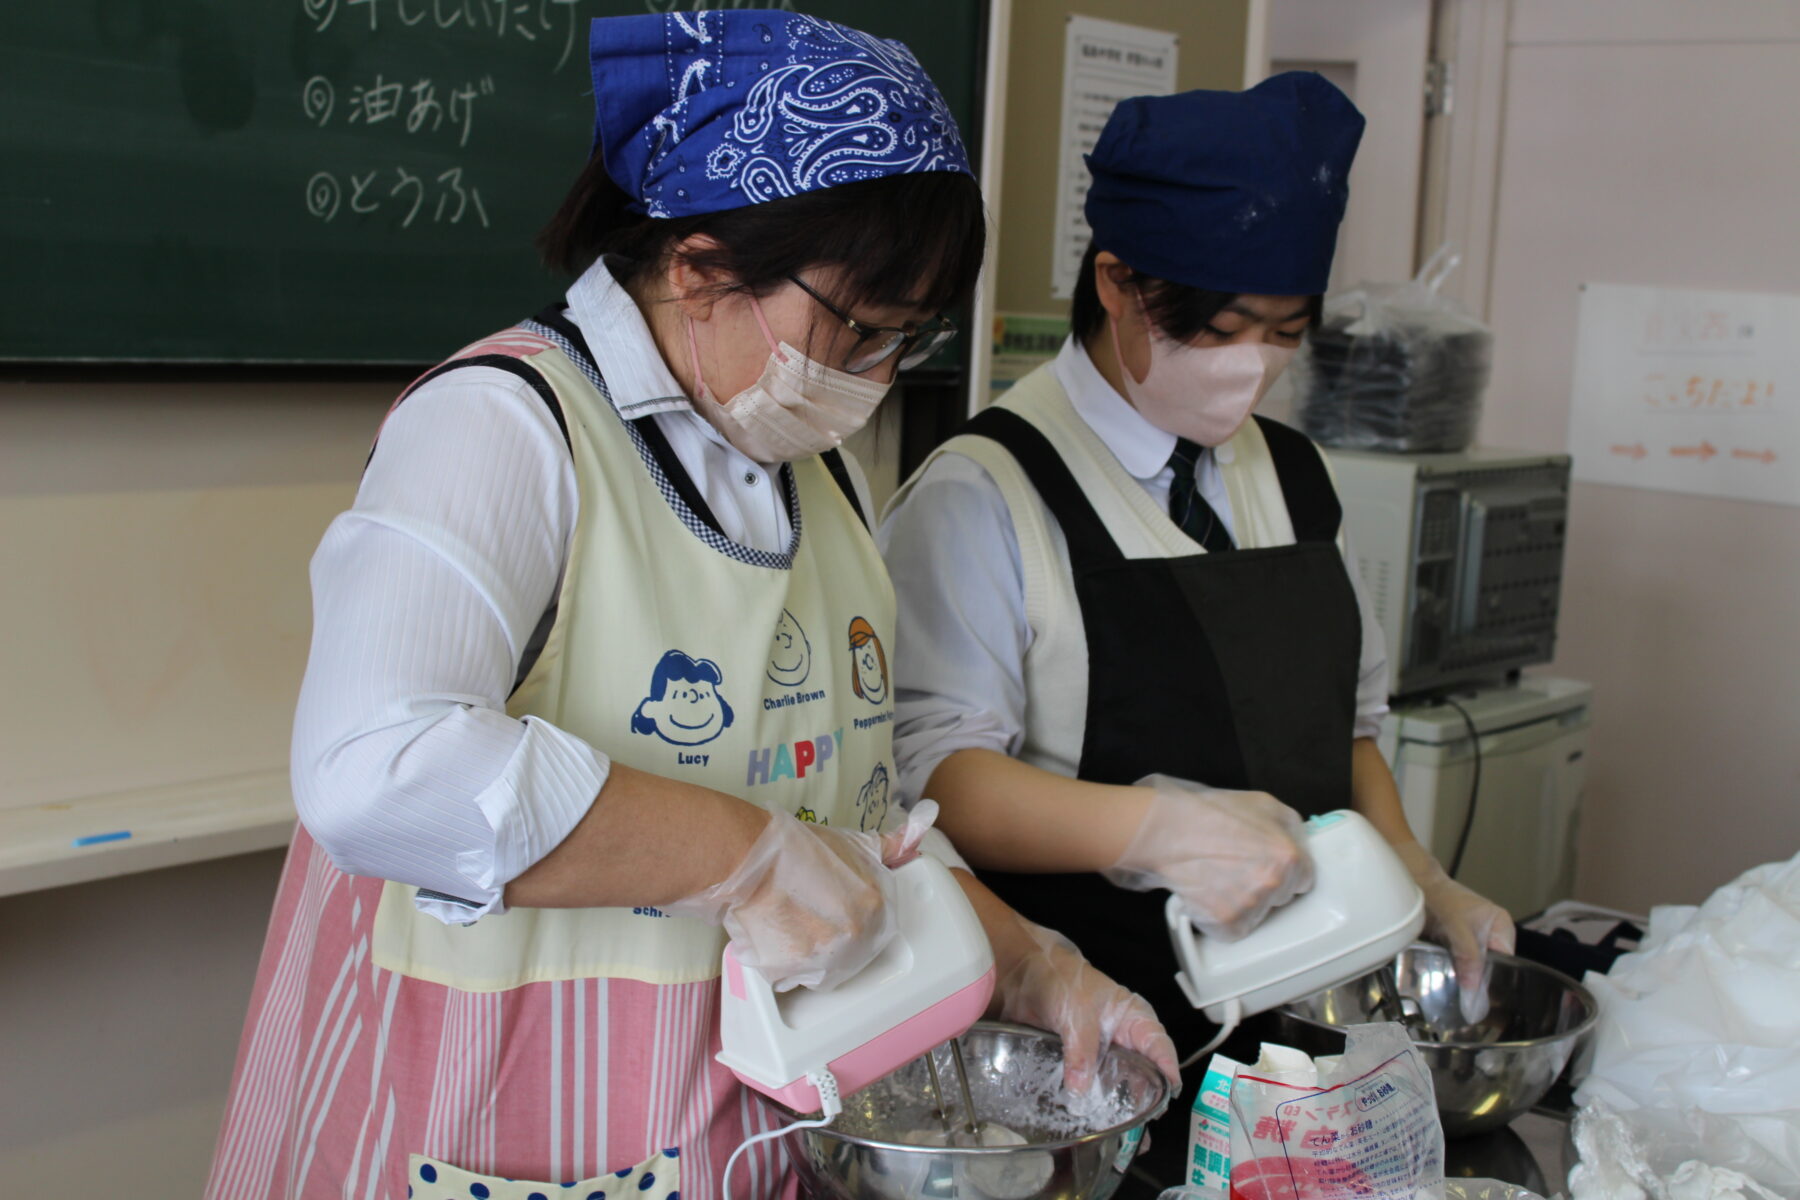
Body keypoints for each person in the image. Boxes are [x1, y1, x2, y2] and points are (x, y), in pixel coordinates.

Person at [205, 12, 1175, 1199]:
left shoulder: (820, 478)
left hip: (743, 1134)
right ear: (698, 263)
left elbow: (857, 823)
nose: (873, 382)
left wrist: (1031, 965)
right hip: (495, 1125)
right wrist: (744, 859)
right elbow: (376, 764)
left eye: (904, 343)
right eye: (858, 330)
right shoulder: (506, 430)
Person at [880, 73, 1515, 1191]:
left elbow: (1347, 728)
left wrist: (1422, 882)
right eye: (1220, 330)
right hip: (1086, 1045)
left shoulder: (1296, 476)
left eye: (1284, 334)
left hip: (1299, 1031)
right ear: (1119, 283)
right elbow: (937, 780)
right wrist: (1150, 830)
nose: (1251, 365)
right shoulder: (984, 491)